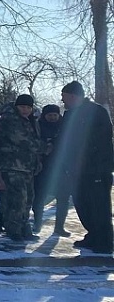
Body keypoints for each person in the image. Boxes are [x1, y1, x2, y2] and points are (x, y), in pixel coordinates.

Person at [56, 81, 113, 254]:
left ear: (73, 96)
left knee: (98, 205)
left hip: (96, 169)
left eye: (64, 97)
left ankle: (104, 240)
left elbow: (99, 142)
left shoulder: (97, 112)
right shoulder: (70, 114)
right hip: (77, 170)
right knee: (83, 204)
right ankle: (93, 234)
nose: (62, 100)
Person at [0, 94, 42, 242]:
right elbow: (22, 139)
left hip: (27, 165)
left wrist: (37, 160)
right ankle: (13, 228)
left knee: (28, 198)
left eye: (28, 107)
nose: (26, 110)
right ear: (16, 106)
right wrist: (44, 147)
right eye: (22, 107)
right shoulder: (10, 118)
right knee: (18, 199)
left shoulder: (30, 120)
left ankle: (24, 227)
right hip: (12, 165)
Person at [33, 104, 69, 236]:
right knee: (39, 197)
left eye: (55, 115)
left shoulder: (64, 127)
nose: (53, 118)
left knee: (63, 198)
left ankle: (59, 226)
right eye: (50, 115)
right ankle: (37, 224)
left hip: (61, 167)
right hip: (42, 168)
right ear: (44, 115)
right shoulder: (38, 126)